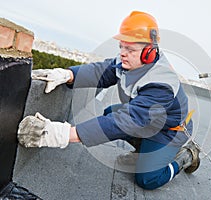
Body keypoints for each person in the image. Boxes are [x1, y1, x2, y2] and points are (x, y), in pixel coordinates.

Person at [17, 11, 201, 190]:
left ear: (149, 52)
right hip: (147, 120)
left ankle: (184, 156)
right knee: (109, 113)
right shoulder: (131, 61)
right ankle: (145, 151)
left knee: (148, 179)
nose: (122, 53)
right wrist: (68, 74)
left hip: (168, 131)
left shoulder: (162, 85)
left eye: (129, 49)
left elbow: (127, 121)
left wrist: (62, 134)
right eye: (121, 46)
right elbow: (100, 72)